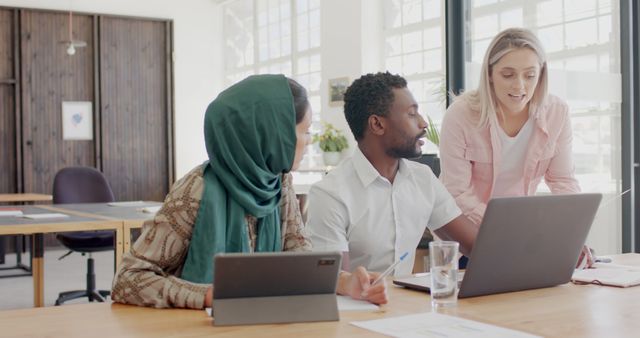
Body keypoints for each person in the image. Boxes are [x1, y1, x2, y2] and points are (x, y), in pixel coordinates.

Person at [111, 74, 387, 309]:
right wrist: (209, 295)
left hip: (257, 322)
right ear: (274, 134)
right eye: (305, 131)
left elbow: (299, 260)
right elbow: (128, 279)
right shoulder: (197, 188)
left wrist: (345, 282)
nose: (309, 142)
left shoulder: (279, 182)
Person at [439, 28, 592, 266]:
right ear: (490, 74)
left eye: (530, 76)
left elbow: (563, 181)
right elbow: (457, 192)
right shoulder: (460, 115)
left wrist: (570, 234)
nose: (520, 86)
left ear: (541, 75)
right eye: (508, 75)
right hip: (470, 235)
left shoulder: (556, 112)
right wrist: (507, 229)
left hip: (522, 234)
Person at [306, 72, 479, 276]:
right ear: (377, 124)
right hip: (357, 307)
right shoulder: (330, 194)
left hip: (410, 305)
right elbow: (336, 282)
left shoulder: (423, 178)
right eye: (412, 114)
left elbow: (475, 246)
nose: (424, 123)